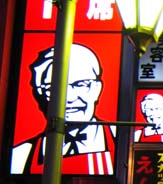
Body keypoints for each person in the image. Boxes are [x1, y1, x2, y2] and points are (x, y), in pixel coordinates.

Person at [11, 43, 117, 175]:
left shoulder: (121, 139)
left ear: (97, 89)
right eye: (53, 88)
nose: (69, 98)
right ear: (42, 94)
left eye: (80, 85)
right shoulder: (20, 157)